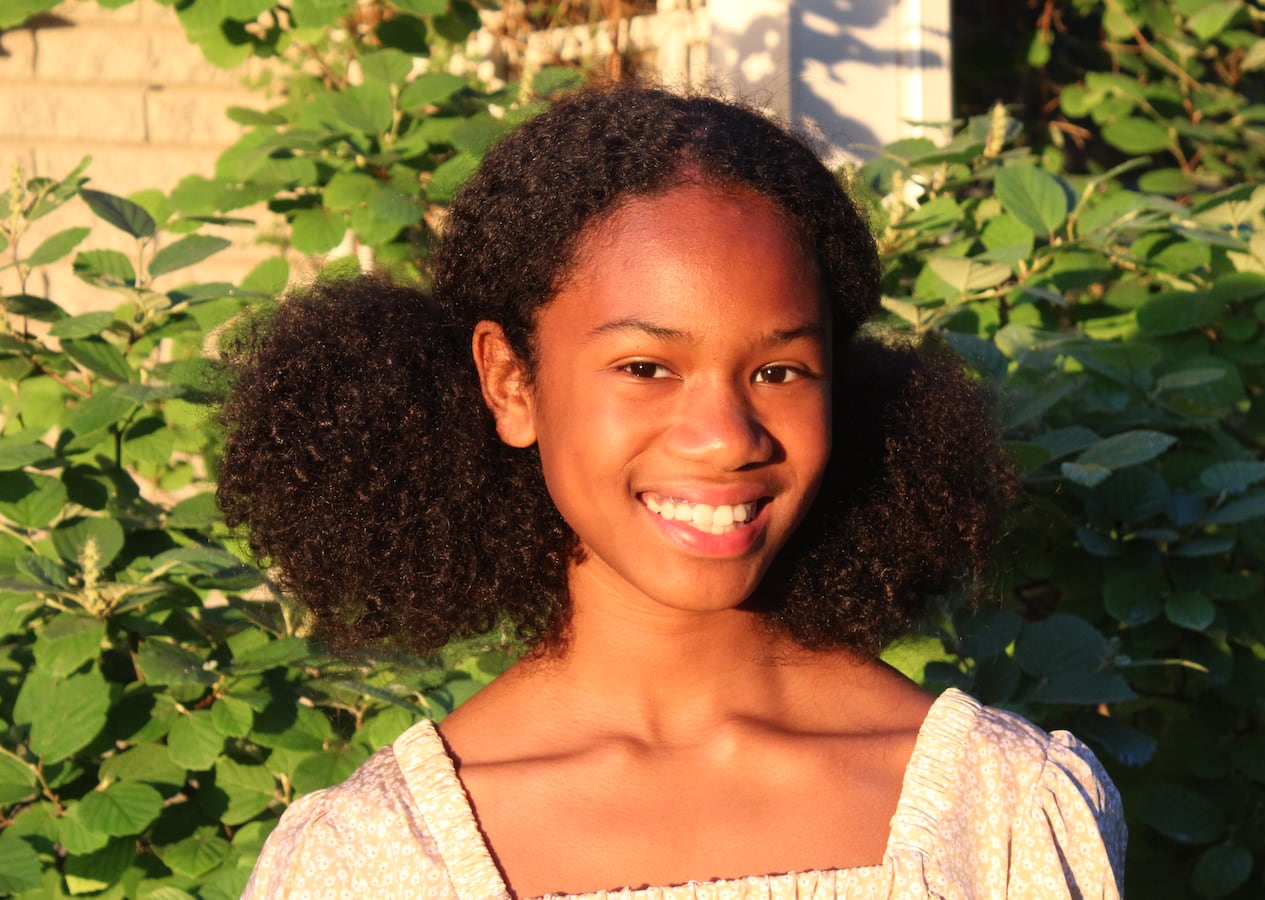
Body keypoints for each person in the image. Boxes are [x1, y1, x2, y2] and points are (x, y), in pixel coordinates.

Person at [222, 83, 1124, 899]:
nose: (728, 436)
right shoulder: (376, 860)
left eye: (780, 370)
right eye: (647, 365)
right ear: (511, 382)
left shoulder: (1002, 811)